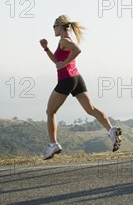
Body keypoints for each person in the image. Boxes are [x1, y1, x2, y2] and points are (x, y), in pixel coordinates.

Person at [40, 15, 121, 159]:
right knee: (91, 109)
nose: (53, 29)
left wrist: (64, 63)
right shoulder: (63, 42)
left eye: (54, 26)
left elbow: (77, 50)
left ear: (60, 26)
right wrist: (46, 49)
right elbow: (57, 61)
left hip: (66, 80)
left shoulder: (65, 41)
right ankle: (111, 130)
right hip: (76, 78)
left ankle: (53, 145)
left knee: (50, 111)